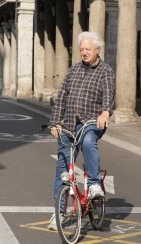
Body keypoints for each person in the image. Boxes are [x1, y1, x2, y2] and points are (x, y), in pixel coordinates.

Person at [47, 31, 115, 230]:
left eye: (88, 49)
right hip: (69, 124)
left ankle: (93, 183)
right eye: (81, 49)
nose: (84, 53)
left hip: (91, 122)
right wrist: (55, 122)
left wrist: (105, 113)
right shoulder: (74, 69)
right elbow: (62, 97)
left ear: (97, 50)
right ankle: (58, 214)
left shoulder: (105, 71)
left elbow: (109, 93)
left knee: (87, 142)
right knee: (62, 170)